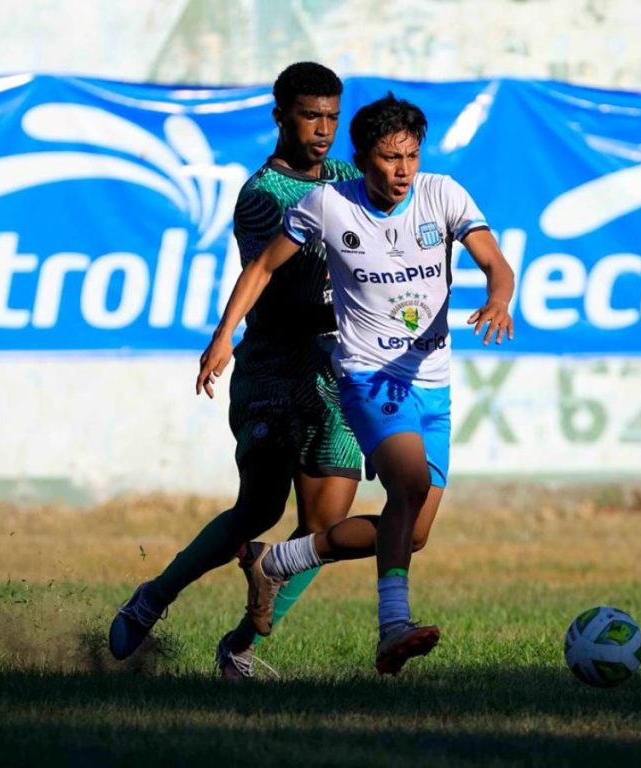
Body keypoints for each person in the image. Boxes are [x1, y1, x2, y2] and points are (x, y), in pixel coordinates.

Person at [197, 93, 514, 675]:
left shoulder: (442, 194)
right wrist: (224, 337)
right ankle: (393, 624)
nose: (402, 171)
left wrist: (498, 296)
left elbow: (495, 261)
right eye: (390, 158)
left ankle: (280, 561)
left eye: (411, 157)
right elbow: (263, 267)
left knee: (412, 532)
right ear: (363, 158)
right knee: (409, 484)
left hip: (432, 386)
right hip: (368, 378)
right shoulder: (328, 204)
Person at [109, 62, 367, 679]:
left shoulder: (347, 175)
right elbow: (272, 289)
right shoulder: (261, 196)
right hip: (276, 366)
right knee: (257, 508)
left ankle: (241, 645)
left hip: (334, 376)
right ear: (280, 116)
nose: (324, 129)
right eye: (311, 116)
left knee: (323, 530)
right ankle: (154, 597)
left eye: (332, 116)